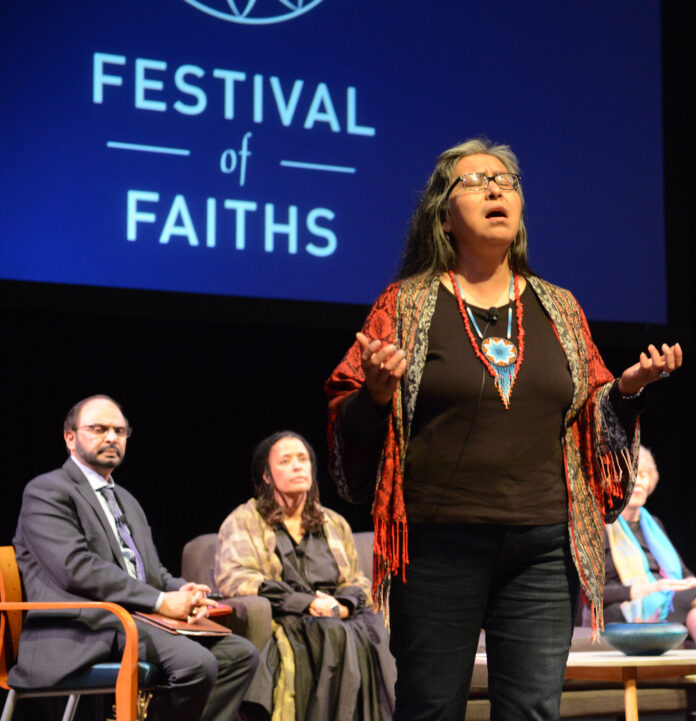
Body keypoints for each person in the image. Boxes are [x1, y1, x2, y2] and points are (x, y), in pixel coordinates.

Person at [325, 138, 683, 721]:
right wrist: (377, 392)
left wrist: (627, 389)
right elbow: (349, 421)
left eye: (507, 180)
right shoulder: (406, 305)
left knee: (533, 711)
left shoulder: (559, 307)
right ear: (444, 214)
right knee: (430, 709)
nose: (496, 189)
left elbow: (592, 417)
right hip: (438, 546)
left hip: (543, 549)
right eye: (475, 181)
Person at [9, 394, 259, 721]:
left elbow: (150, 571)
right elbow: (77, 569)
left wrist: (185, 590)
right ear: (70, 438)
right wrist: (159, 601)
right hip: (82, 628)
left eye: (120, 430)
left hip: (131, 622)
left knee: (241, 655)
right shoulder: (48, 491)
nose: (111, 437)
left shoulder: (125, 499)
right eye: (98, 429)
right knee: (196, 664)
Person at [214, 431, 395, 721]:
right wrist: (307, 603)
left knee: (378, 629)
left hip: (339, 616)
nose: (298, 466)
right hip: (288, 619)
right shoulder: (245, 520)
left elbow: (357, 581)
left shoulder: (333, 523)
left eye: (303, 460)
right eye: (285, 461)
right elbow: (235, 578)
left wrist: (344, 605)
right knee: (333, 632)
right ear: (266, 476)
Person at [604, 445, 696, 638]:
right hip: (627, 605)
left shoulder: (654, 524)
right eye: (631, 476)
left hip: (671, 597)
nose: (638, 483)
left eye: (643, 475)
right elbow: (595, 592)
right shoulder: (601, 527)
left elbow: (684, 574)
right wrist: (645, 589)